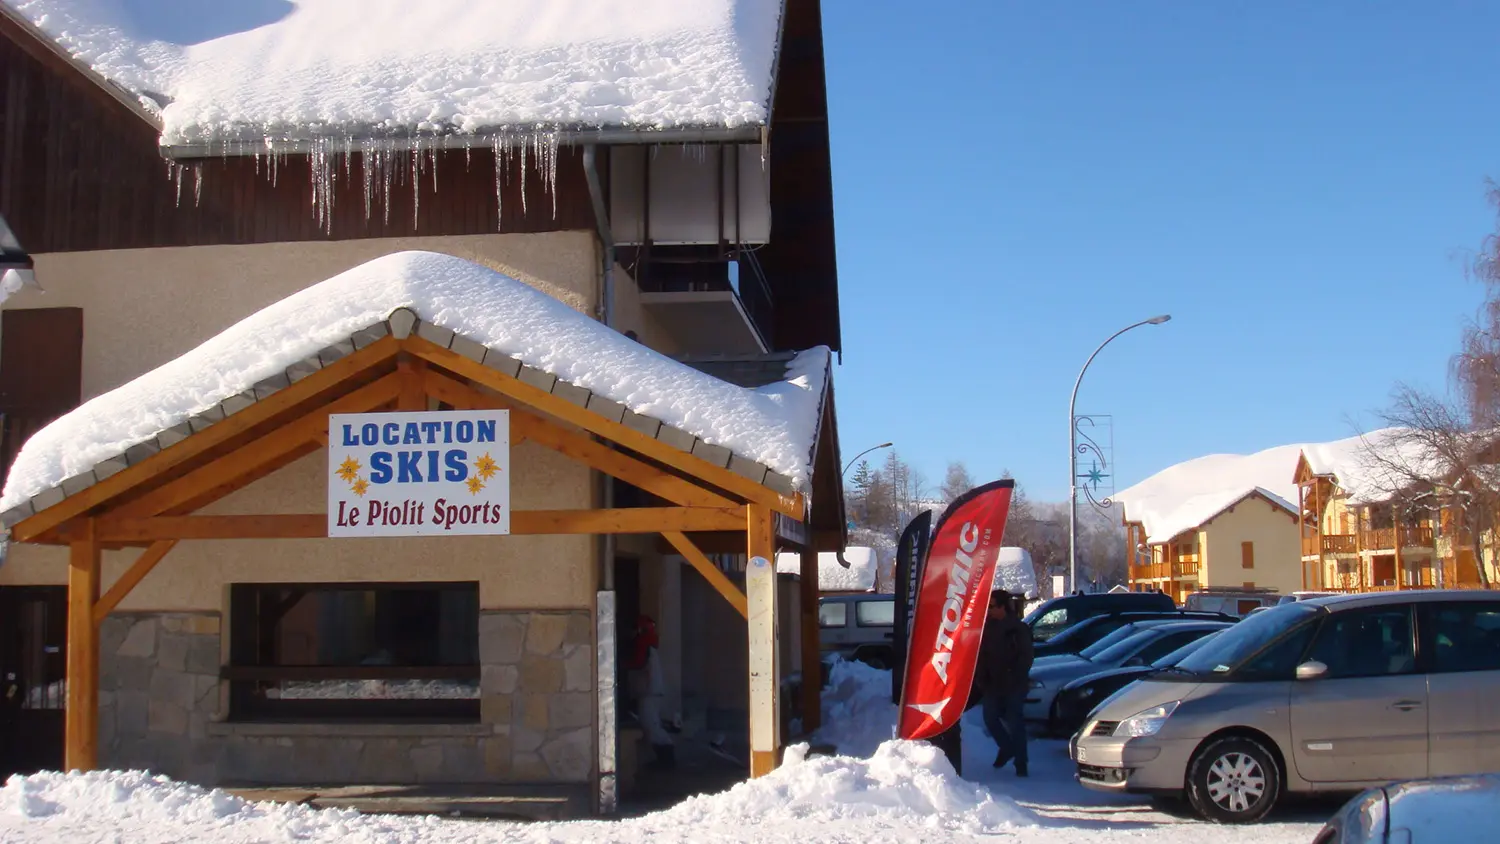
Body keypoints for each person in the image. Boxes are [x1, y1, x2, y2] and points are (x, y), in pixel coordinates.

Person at [977, 588, 1034, 776]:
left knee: (1014, 720)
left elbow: (1026, 658)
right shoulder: (987, 627)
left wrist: (1014, 676)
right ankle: (1007, 747)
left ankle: (1021, 762)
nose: (989, 610)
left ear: (1002, 607)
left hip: (1013, 683)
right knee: (990, 718)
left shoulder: (1018, 628)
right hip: (992, 682)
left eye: (992, 606)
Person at [626, 614, 675, 769]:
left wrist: (624, 664)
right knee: (651, 725)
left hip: (648, 690)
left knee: (651, 726)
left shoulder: (643, 643)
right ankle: (664, 759)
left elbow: (637, 663)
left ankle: (667, 760)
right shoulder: (649, 643)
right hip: (651, 690)